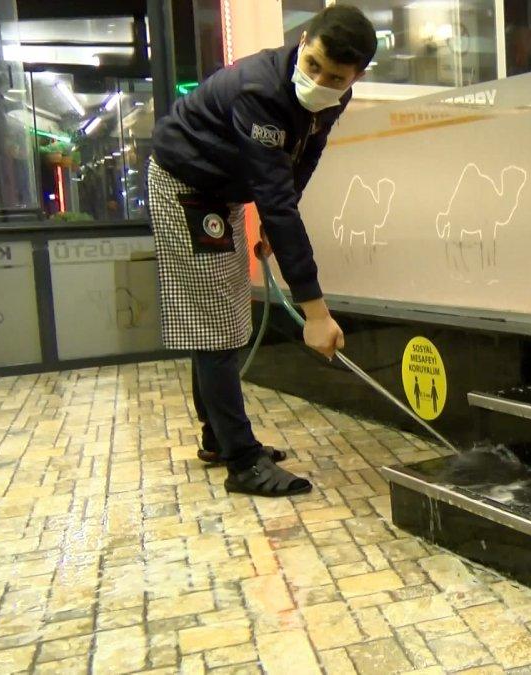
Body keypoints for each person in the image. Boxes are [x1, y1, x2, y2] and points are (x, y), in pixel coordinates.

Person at [148, 5, 376, 497]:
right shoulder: (260, 92)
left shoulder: (333, 96)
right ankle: (242, 460)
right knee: (217, 325)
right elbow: (273, 201)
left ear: (355, 76)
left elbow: (305, 154)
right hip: (183, 184)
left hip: (222, 190)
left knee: (227, 315)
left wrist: (280, 217)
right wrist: (315, 312)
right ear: (304, 40)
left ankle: (218, 436)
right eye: (311, 64)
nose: (318, 80)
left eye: (334, 76)